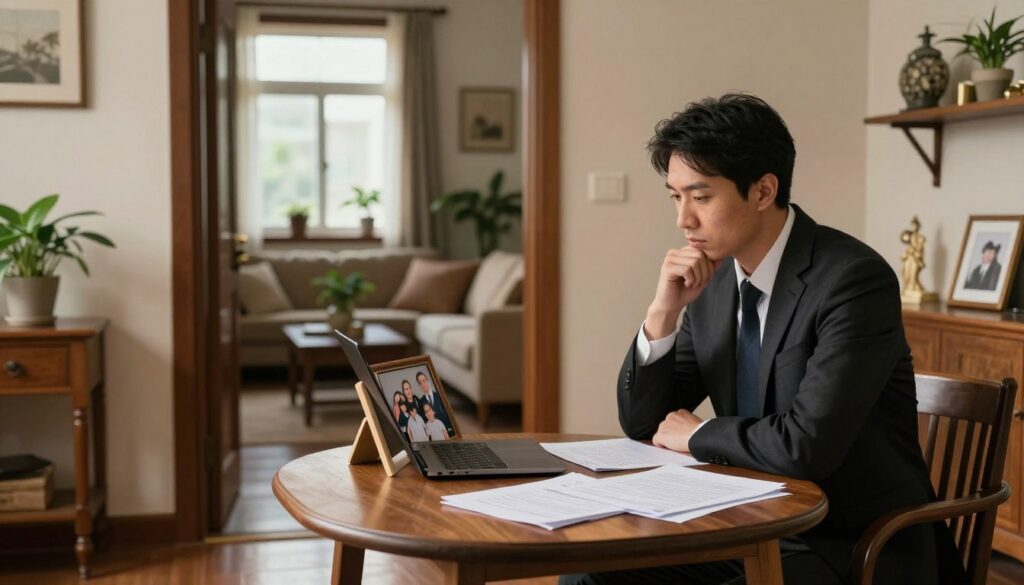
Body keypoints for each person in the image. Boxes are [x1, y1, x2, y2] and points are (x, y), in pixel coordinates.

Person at [560, 94, 959, 585]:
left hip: (847, 542)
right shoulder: (715, 285)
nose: (683, 219)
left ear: (764, 190)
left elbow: (808, 446)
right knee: (587, 579)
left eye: (700, 197)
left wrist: (699, 435)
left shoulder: (854, 280)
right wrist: (661, 314)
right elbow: (644, 422)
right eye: (675, 196)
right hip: (744, 523)